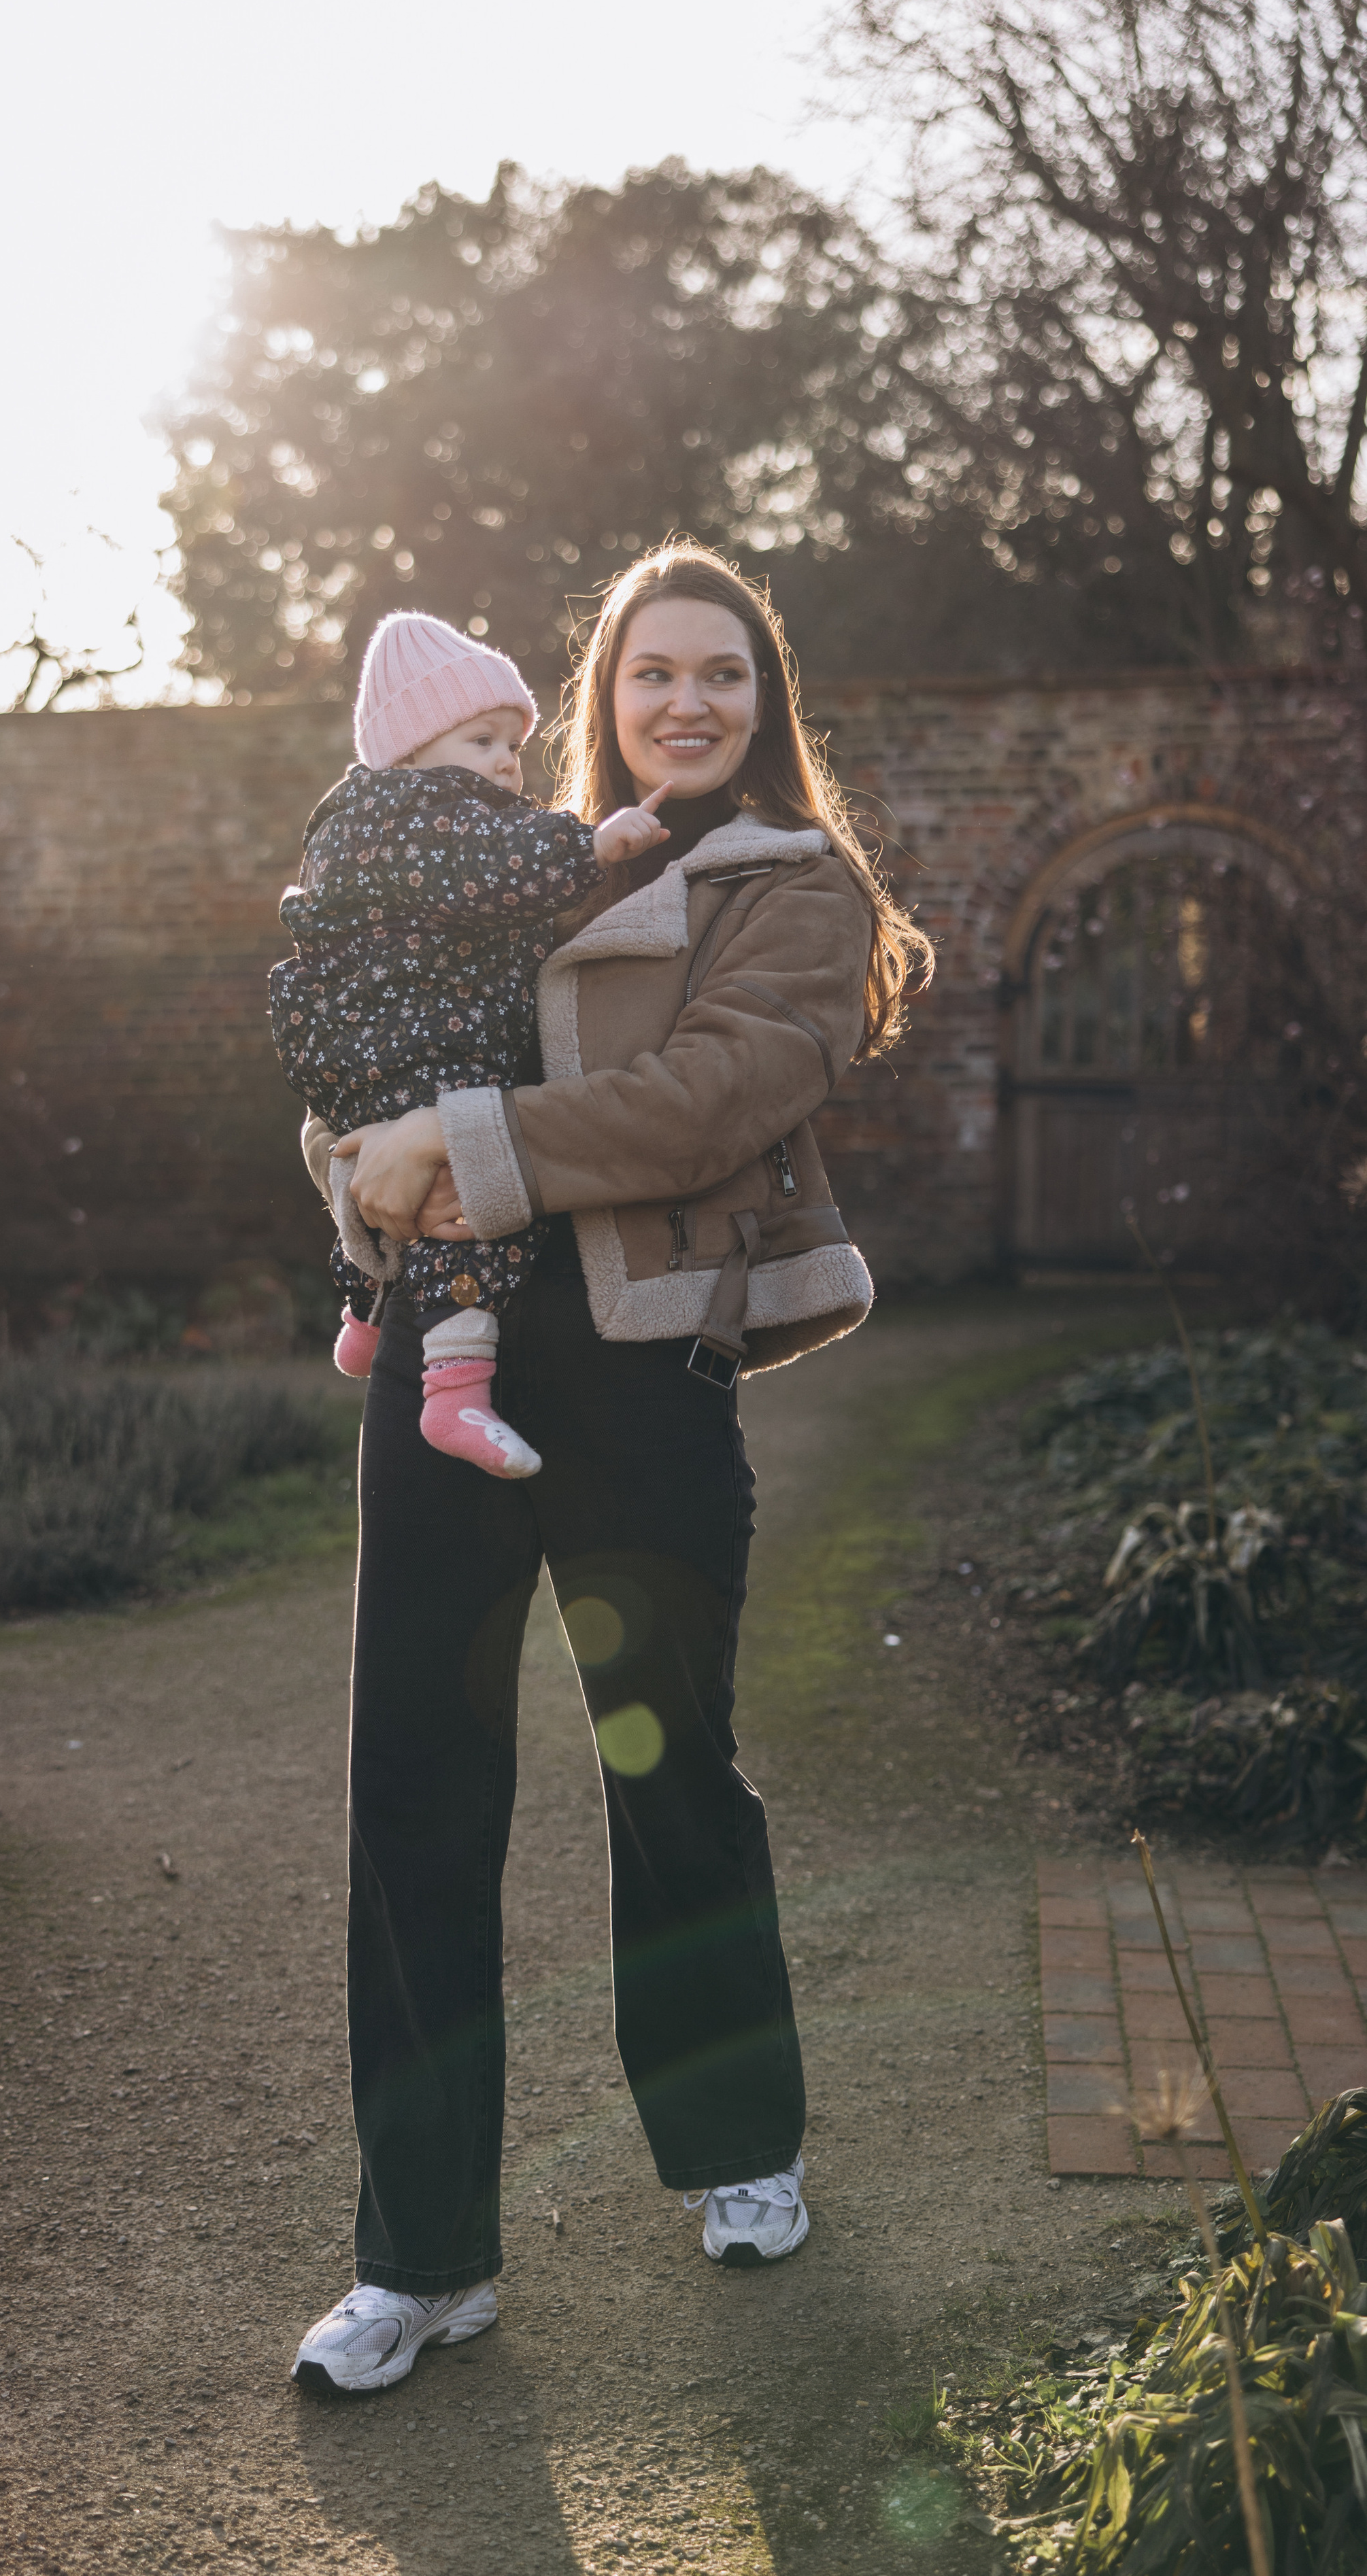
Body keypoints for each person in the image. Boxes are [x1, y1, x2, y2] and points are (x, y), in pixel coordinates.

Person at [289, 543, 933, 2396]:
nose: (685, 702)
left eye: (721, 673)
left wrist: (451, 1142)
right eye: (652, 673)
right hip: (448, 1354)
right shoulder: (504, 851)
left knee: (668, 1773)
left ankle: (738, 2148)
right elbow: (356, 1027)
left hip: (641, 1375)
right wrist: (351, 1157)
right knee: (413, 1782)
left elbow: (710, 1098)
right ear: (606, 696)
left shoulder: (791, 883)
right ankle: (420, 2258)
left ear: (763, 699)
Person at [269, 611, 671, 1479]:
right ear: (409, 752)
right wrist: (595, 844)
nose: (504, 763)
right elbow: (503, 864)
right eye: (480, 740)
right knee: (473, 1203)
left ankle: (365, 1315)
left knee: (376, 1172)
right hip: (428, 1041)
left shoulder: (350, 822)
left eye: (512, 745)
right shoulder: (435, 820)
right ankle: (456, 1392)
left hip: (361, 1041)